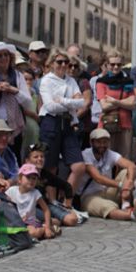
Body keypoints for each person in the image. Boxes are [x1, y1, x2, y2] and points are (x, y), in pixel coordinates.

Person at [38, 53, 87, 190]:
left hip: (67, 123)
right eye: (60, 62)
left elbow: (82, 102)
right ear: (52, 63)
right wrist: (72, 103)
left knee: (79, 166)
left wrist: (63, 100)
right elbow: (50, 106)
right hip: (51, 122)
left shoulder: (71, 80)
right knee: (50, 166)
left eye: (66, 62)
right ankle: (52, 201)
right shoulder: (46, 80)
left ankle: (67, 200)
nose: (64, 65)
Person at [79, 128, 136, 221]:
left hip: (108, 192)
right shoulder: (85, 155)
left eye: (105, 142)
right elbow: (98, 178)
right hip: (89, 196)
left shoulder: (110, 153)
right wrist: (121, 185)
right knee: (107, 207)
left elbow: (131, 166)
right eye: (99, 142)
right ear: (91, 142)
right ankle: (132, 215)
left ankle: (126, 205)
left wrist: (128, 183)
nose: (102, 145)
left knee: (126, 172)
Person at [0, 42, 32, 156]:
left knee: (14, 155)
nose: (4, 58)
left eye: (6, 55)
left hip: (14, 123)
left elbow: (28, 102)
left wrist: (14, 91)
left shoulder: (18, 76)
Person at [100, 51, 136, 160]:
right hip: (108, 124)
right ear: (107, 65)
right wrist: (125, 102)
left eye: (119, 64)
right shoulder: (101, 82)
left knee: (125, 160)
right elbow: (104, 106)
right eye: (112, 64)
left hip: (126, 125)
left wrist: (115, 102)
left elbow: (134, 104)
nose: (116, 67)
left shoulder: (128, 81)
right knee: (107, 159)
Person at [5, 164, 54, 240]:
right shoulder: (12, 190)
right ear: (20, 179)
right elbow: (4, 204)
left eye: (34, 178)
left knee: (32, 233)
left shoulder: (35, 193)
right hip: (15, 221)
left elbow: (46, 210)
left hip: (30, 222)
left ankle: (44, 229)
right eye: (28, 177)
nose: (31, 181)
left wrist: (47, 227)